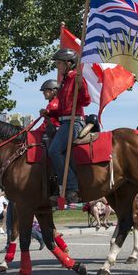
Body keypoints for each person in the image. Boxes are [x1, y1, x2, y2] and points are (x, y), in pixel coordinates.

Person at [45, 48, 91, 204]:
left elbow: (86, 101)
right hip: (65, 121)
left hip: (74, 122)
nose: (57, 67)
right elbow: (62, 108)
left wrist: (82, 87)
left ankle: (71, 187)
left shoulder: (76, 78)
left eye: (59, 63)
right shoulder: (64, 82)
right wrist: (49, 114)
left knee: (54, 150)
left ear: (69, 64)